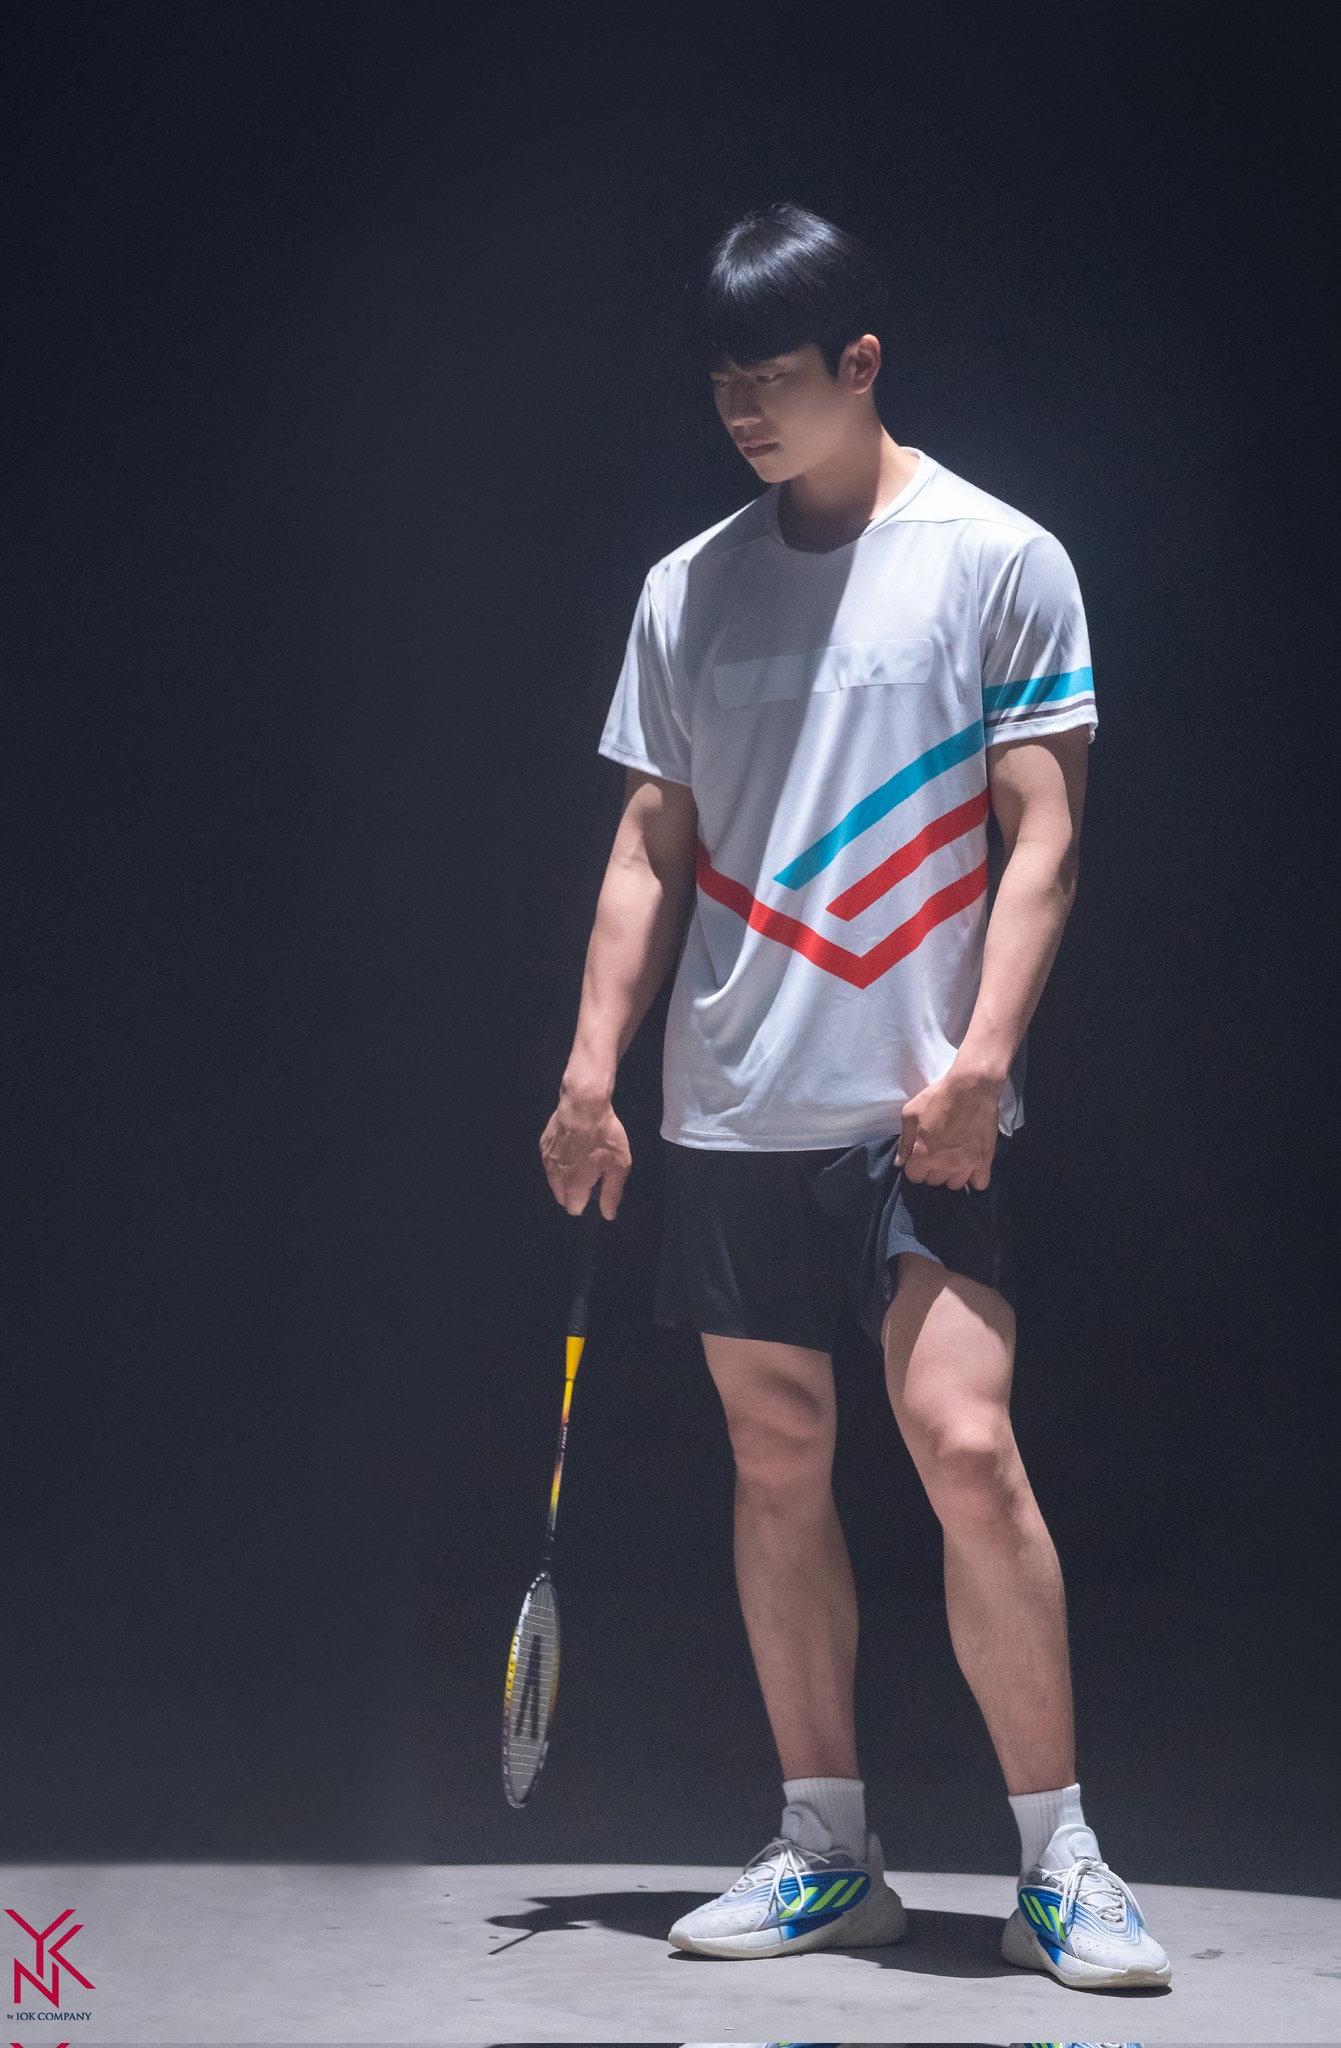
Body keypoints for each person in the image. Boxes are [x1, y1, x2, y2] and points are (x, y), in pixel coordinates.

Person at [538, 200, 1171, 1991]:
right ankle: (827, 1849)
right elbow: (648, 844)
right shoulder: (686, 586)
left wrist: (981, 1065)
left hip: (917, 1104)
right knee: (774, 1461)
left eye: (774, 379)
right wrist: (589, 1071)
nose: (743, 412)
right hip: (732, 1095)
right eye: (721, 385)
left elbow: (1042, 836)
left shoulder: (997, 557)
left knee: (963, 1448)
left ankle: (1061, 1864)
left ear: (861, 363)